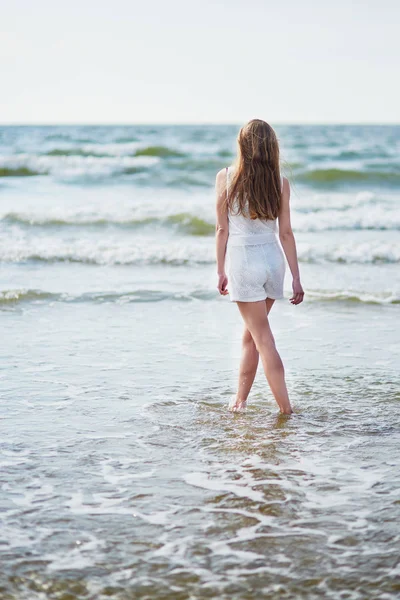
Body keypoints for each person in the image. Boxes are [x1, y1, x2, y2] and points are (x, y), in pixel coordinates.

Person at [215, 119, 304, 415]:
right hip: (272, 262)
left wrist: (220, 270)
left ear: (242, 145)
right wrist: (295, 277)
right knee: (251, 334)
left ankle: (286, 410)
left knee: (263, 337)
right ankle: (239, 402)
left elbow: (221, 230)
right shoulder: (280, 182)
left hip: (244, 262)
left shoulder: (226, 178)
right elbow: (286, 232)